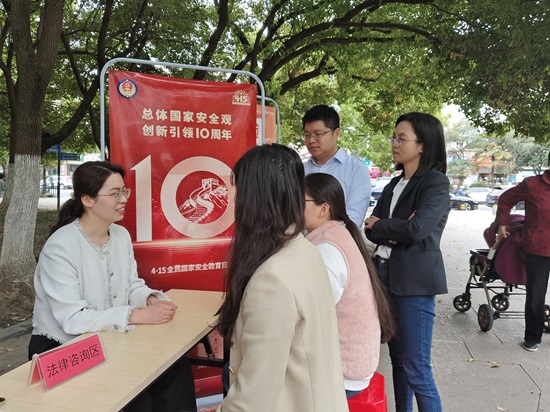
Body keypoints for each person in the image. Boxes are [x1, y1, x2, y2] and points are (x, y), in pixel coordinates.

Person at [29, 161, 197, 412]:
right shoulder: (60, 246)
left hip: (108, 338)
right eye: (114, 193)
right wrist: (138, 315)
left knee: (176, 370)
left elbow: (131, 286)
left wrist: (149, 299)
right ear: (88, 200)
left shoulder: (120, 235)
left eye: (124, 191)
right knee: (134, 398)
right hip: (64, 347)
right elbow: (72, 320)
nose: (123, 199)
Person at [201, 144, 348, 412]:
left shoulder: (271, 279)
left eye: (235, 187)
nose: (230, 197)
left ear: (252, 196)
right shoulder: (302, 249)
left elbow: (254, 400)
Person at [364, 112, 449, 412]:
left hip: (414, 282)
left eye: (402, 138)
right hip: (385, 276)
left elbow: (417, 230)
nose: (395, 143)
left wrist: (384, 225)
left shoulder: (435, 183)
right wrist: (391, 227)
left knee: (417, 369)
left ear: (423, 145)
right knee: (397, 361)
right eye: (394, 137)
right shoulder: (393, 185)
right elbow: (368, 228)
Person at [304, 173, 395, 398]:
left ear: (323, 209)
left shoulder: (327, 248)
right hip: (349, 362)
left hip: (344, 370)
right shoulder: (336, 234)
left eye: (298, 200)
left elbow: (312, 312)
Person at [496, 151, 550, 352]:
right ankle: (532, 338)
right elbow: (506, 199)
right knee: (536, 295)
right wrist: (502, 223)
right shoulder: (532, 184)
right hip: (538, 249)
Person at [302, 104, 372, 228]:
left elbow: (353, 219)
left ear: (336, 133)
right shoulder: (300, 170)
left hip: (336, 243)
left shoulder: (356, 170)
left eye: (318, 134)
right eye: (307, 135)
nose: (311, 140)